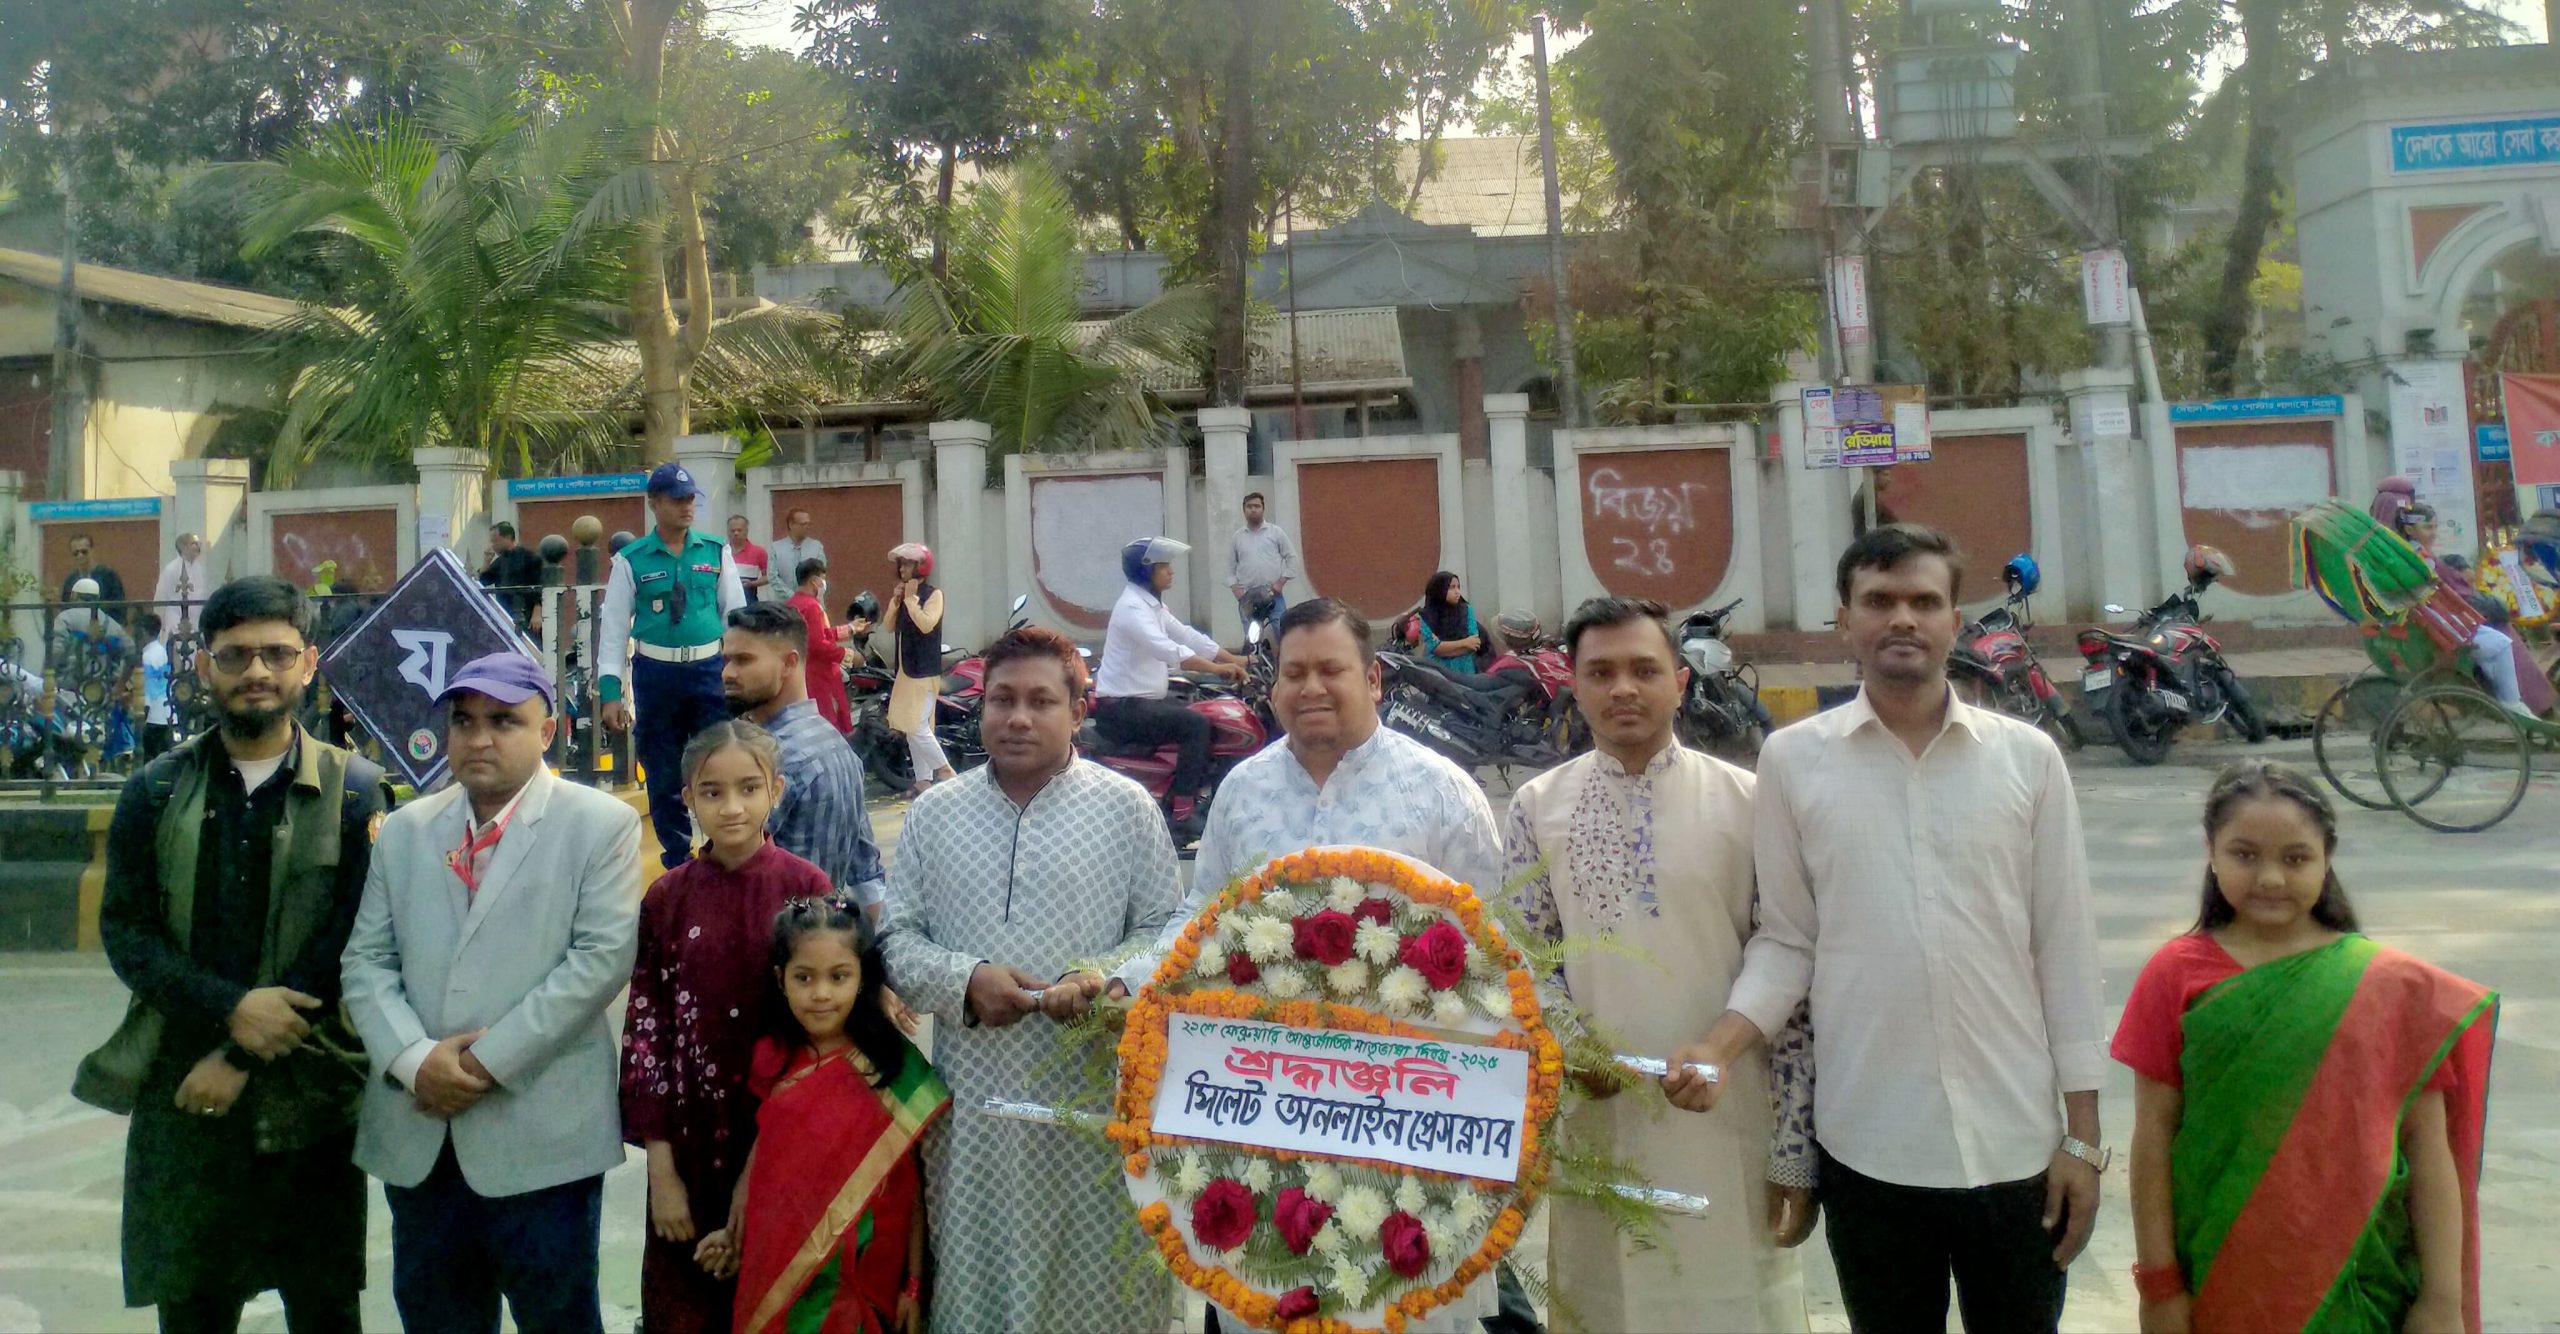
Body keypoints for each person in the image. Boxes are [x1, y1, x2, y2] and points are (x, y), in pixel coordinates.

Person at [1674, 523, 2107, 1333]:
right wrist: (1720, 1044)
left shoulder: (2028, 760)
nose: (1901, 618)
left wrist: (2082, 1139)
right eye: (1879, 601)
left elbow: (2067, 949)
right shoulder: (1794, 762)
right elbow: (1788, 941)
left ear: (1953, 621)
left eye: (1924, 601)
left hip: (2016, 1146)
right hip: (1868, 1147)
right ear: (1846, 619)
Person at [1112, 596, 1507, 1331]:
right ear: (1273, 687)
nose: (1312, 688)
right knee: (1273, 1298)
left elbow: (1498, 951)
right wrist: (1123, 980)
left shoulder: (1440, 790)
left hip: (1407, 1130)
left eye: (1332, 670)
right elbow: (1197, 923)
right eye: (1294, 673)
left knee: (1405, 1308)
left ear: (1374, 680)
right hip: (1269, 1119)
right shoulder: (1243, 791)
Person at [1502, 596, 1814, 1332]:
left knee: (1737, 1302)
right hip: (1597, 1125)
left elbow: (1786, 944)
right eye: (1601, 672)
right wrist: (1571, 1042)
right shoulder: (1536, 806)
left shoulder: (1751, 799)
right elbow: (1517, 951)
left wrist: (1724, 1048)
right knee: (1609, 1301)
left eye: (1644, 670)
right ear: (1573, 685)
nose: (1623, 690)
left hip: (1732, 1115)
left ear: (1680, 681)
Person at [86, 575, 386, 1333]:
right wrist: (228, 1010)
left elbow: (353, 939)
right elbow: (127, 932)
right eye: (236, 655)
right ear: (203, 667)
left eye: (277, 653)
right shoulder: (154, 791)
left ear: (309, 663)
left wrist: (246, 1050)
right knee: (192, 1306)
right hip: (184, 1091)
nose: (257, 671)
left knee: (322, 1307)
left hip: (313, 1090)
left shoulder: (357, 794)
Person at [2113, 761, 2493, 1334]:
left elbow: (2428, 1146)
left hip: (2360, 1283)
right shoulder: (2175, 974)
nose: (2270, 878)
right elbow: (2153, 1139)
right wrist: (2159, 1285)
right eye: (2244, 855)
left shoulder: (2385, 986)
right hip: (2219, 1275)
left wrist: (2442, 1298)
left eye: (2295, 858)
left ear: (2327, 857)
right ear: (2210, 850)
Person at [877, 626, 1179, 1334]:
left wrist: (1101, 979)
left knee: (1100, 1294)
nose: (1017, 717)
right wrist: (966, 979)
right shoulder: (935, 813)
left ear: (1078, 711)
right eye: (1001, 699)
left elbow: (1170, 933)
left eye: (1041, 701)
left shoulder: (1126, 807)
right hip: (975, 1115)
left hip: (1096, 1108)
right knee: (979, 1293)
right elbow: (894, 939)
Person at [340, 651, 646, 1334]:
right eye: (464, 720)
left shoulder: (599, 824)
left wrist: (478, 1065)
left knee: (558, 1316)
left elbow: (599, 962)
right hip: (419, 1131)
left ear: (546, 732)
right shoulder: (407, 831)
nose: (479, 738)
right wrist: (415, 1061)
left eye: (504, 721)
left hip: (542, 1133)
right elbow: (365, 961)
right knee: (436, 1316)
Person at [624, 721, 836, 1334]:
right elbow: (647, 1036)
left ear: (777, 790)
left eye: (749, 788)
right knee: (684, 1309)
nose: (732, 806)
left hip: (783, 1146)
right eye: (712, 792)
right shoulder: (666, 898)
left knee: (776, 1304)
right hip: (688, 1152)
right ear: (686, 797)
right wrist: (660, 1172)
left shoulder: (806, 890)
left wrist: (758, 1179)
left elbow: (823, 1038)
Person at [717, 896, 947, 1334]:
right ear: (780, 980)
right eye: (804, 977)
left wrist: (914, 1285)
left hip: (865, 1279)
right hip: (781, 1273)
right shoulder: (771, 1060)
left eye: (838, 977)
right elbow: (764, 1159)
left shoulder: (892, 1069)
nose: (821, 993)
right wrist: (734, 1231)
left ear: (863, 980)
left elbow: (912, 1190)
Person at [598, 462, 748, 867]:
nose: (687, 508)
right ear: (654, 504)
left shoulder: (716, 552)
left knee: (719, 764)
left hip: (708, 672)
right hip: (656, 674)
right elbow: (613, 632)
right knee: (663, 771)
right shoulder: (631, 560)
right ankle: (679, 859)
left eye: (691, 500)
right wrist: (612, 694)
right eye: (677, 500)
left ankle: (722, 850)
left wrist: (740, 678)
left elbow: (736, 618)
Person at [721, 603, 889, 915]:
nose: (728, 673)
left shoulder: (773, 756)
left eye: (743, 660)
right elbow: (866, 874)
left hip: (771, 942)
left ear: (789, 663)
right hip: (821, 942)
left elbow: (731, 877)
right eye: (727, 660)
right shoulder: (837, 745)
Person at [1093, 535, 1247, 834]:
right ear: (1146, 571)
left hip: (1143, 702)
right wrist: (1217, 669)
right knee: (1197, 725)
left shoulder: (1151, 606)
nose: (1171, 571)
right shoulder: (1132, 609)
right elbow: (1168, 650)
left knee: (1207, 711)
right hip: (1121, 709)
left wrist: (1239, 661)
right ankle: (1182, 810)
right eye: (1164, 566)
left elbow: (1188, 636)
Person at [2373, 479, 2550, 718]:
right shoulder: (2414, 556)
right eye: (2428, 528)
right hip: (2442, 620)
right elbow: (2439, 586)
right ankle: (2512, 703)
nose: (2434, 534)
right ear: (2409, 529)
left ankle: (2515, 700)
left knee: (2499, 636)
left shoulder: (2408, 551)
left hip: (2442, 614)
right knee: (2501, 640)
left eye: (2435, 527)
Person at [883, 543, 954, 796]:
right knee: (911, 724)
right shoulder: (905, 595)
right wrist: (896, 600)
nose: (903, 568)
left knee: (917, 726)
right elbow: (889, 626)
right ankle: (923, 779)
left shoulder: (934, 595)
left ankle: (944, 769)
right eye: (901, 564)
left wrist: (912, 601)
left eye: (908, 564)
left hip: (923, 670)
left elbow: (926, 625)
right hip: (905, 670)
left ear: (921, 567)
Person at [784, 557, 857, 734]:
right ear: (814, 581)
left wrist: (850, 629)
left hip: (802, 670)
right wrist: (848, 655)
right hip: (820, 674)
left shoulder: (792, 603)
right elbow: (817, 644)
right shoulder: (812, 606)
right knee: (828, 721)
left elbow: (820, 633)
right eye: (822, 578)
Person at [1224, 491, 1299, 637]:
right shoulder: (1237, 538)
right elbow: (1229, 566)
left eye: (1257, 506)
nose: (1253, 509)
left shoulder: (1276, 533)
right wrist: (1235, 589)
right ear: (1244, 510)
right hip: (1248, 597)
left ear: (1263, 509)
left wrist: (1281, 583)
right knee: (1252, 637)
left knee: (1282, 631)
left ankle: (1282, 660)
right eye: (1249, 506)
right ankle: (1255, 659)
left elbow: (1292, 557)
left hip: (1273, 595)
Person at [1416, 570, 1488, 673]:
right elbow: (1435, 647)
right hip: (1438, 671)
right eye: (1451, 587)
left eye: (1458, 587)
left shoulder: (1466, 610)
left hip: (1465, 669)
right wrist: (1464, 642)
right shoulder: (1427, 616)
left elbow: (1474, 643)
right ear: (1439, 590)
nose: (1457, 592)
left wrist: (1447, 649)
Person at [479, 521, 544, 630]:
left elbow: (541, 584)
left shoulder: (529, 557)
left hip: (526, 614)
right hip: (505, 614)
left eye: (495, 540)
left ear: (508, 537)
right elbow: (482, 582)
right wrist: (486, 561)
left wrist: (537, 612)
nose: (492, 545)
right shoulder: (500, 562)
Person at [52, 575, 128, 663]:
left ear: (74, 595)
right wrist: (123, 676)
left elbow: (55, 651)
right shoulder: (111, 623)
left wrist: (46, 673)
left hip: (70, 675)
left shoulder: (65, 618)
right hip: (105, 676)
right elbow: (131, 652)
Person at [133, 611, 176, 761]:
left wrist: (141, 717)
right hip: (166, 713)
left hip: (153, 717)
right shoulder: (161, 651)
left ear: (143, 631)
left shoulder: (147, 657)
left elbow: (148, 690)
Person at [154, 532, 211, 638]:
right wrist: (160, 621)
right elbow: (161, 595)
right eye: (194, 543)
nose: (198, 546)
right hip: (176, 620)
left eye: (199, 543)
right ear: (183, 547)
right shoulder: (171, 569)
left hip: (197, 620)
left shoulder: (200, 569)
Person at [60, 530, 128, 609]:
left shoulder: (108, 576)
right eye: (76, 553)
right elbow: (65, 610)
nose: (80, 555)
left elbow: (119, 607)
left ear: (92, 550)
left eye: (84, 551)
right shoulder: (70, 581)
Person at [767, 508, 826, 598]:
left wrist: (809, 596)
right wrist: (792, 596)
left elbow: (821, 575)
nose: (807, 527)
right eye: (803, 524)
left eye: (809, 524)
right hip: (785, 605)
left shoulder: (817, 547)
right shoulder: (776, 547)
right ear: (791, 525)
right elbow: (772, 577)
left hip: (811, 603)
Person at [729, 514, 772, 605]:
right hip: (725, 603)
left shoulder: (759, 552)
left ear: (746, 531)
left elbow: (769, 576)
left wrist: (753, 584)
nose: (736, 533)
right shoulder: (722, 552)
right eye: (732, 530)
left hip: (749, 603)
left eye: (739, 530)